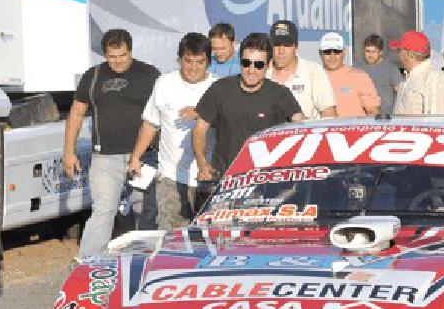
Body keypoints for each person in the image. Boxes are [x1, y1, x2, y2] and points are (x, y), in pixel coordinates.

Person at [63, 29, 160, 260]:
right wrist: (68, 151)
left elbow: (161, 113)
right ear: (105, 54)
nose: (117, 61)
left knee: (145, 211)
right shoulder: (94, 75)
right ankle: (88, 261)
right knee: (103, 210)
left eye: (122, 56)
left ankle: (145, 261)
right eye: (112, 57)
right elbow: (76, 113)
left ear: (131, 51)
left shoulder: (149, 74)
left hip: (144, 157)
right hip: (105, 156)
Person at [128, 32, 217, 230]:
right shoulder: (164, 83)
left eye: (200, 62)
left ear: (209, 62)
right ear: (179, 60)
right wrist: (136, 156)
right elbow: (151, 123)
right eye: (188, 61)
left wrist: (202, 113)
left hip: (208, 178)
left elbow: (229, 126)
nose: (193, 68)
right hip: (171, 176)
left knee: (209, 237)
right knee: (173, 237)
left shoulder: (218, 87)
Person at [193, 33, 304, 182]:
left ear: (269, 65)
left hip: (267, 183)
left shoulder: (281, 94)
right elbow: (199, 129)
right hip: (225, 182)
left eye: (258, 65)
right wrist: (202, 164)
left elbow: (302, 126)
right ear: (240, 61)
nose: (251, 70)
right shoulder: (220, 89)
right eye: (246, 63)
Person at [265, 19, 337, 120]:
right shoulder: (262, 72)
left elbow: (329, 115)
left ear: (296, 47)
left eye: (287, 45)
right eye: (276, 44)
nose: (281, 51)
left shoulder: (313, 71)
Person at [319, 32, 380, 117]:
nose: (332, 56)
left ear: (344, 52)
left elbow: (373, 112)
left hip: (356, 129)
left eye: (337, 51)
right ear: (320, 53)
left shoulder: (359, 76)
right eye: (327, 52)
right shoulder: (313, 77)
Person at [390, 30, 444, 115]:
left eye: (400, 51)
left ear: (408, 54)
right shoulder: (408, 76)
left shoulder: (434, 77)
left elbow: (437, 120)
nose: (399, 56)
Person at [356, 34, 403, 116]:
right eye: (367, 51)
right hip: (362, 118)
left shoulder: (391, 68)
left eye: (373, 52)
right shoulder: (356, 68)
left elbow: (401, 91)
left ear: (381, 52)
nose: (370, 55)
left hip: (385, 118)